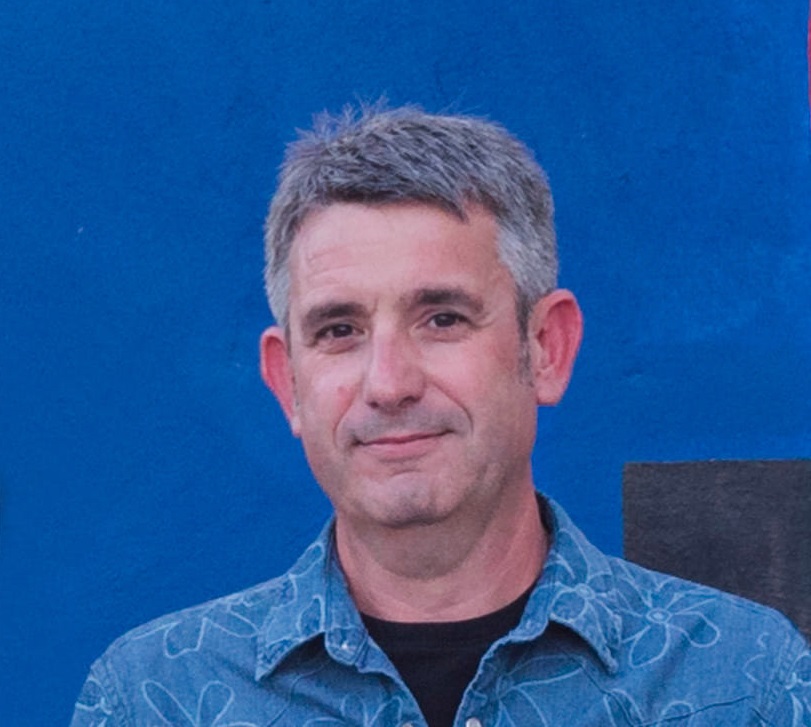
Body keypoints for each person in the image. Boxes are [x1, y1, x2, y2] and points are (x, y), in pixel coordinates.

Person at [71, 104, 811, 727]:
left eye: (443, 319)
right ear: (287, 381)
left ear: (545, 348)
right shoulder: (158, 697)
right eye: (339, 330)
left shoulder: (740, 683)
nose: (389, 384)